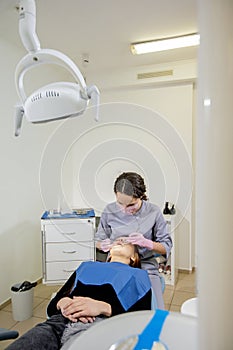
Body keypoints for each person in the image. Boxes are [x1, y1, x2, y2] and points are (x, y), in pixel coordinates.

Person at [6, 238, 151, 350]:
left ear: (134, 257)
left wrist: (104, 307)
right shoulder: (87, 266)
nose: (120, 240)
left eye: (126, 242)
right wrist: (61, 302)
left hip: (98, 325)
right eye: (118, 240)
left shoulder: (138, 275)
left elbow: (141, 320)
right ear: (108, 254)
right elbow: (52, 307)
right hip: (58, 322)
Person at [95, 172, 173, 309]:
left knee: (155, 310)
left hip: (146, 268)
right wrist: (103, 244)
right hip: (115, 267)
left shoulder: (153, 212)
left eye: (131, 205)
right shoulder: (109, 211)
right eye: (120, 204)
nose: (125, 210)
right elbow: (98, 241)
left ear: (141, 197)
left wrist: (147, 243)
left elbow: (166, 246)